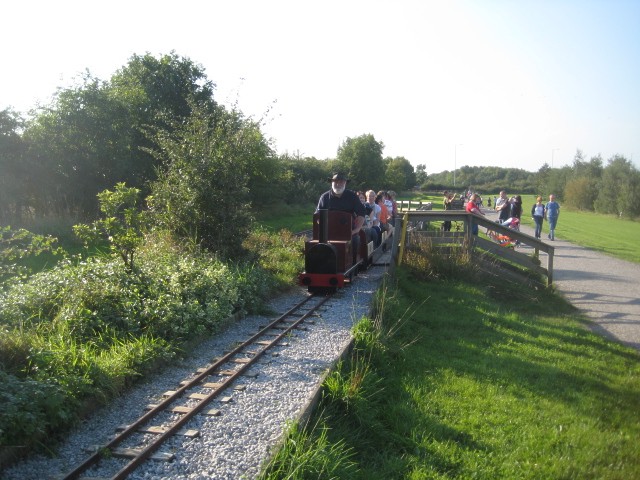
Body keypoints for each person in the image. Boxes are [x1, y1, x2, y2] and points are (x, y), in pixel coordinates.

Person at [316, 172, 366, 255]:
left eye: (341, 182)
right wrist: (324, 229)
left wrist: (357, 229)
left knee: (355, 241)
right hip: (329, 233)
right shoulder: (324, 197)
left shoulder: (352, 196)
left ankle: (354, 264)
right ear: (332, 183)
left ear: (345, 183)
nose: (338, 184)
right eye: (335, 181)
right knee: (319, 246)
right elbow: (317, 215)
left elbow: (361, 212)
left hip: (349, 232)